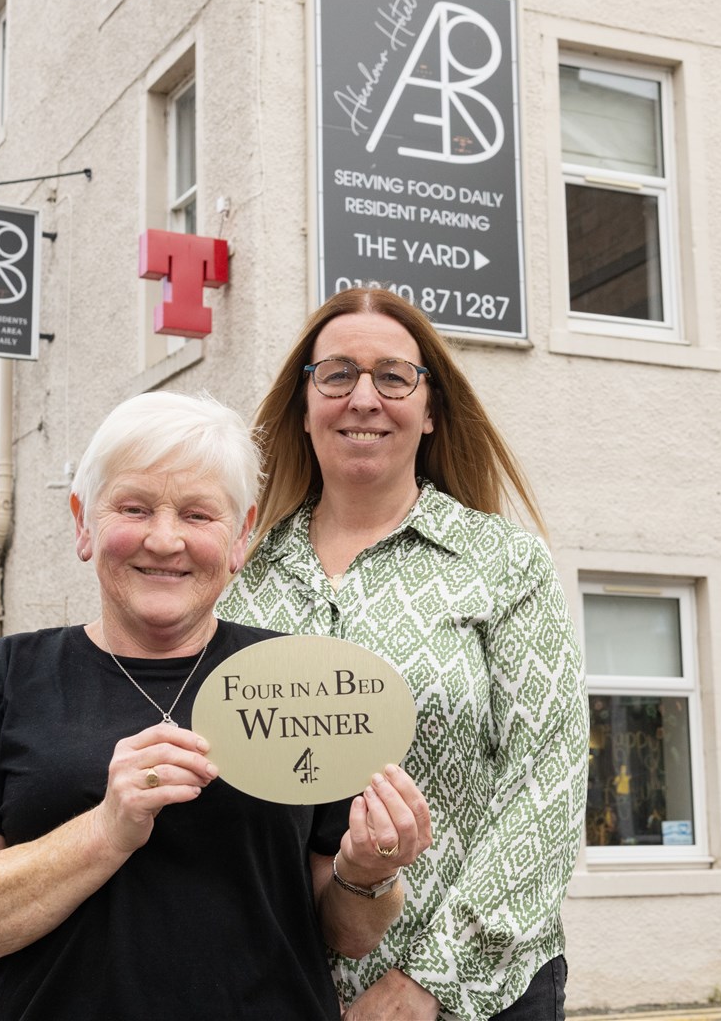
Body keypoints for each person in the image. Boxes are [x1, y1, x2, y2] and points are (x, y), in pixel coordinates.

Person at [0, 390, 433, 1021]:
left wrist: (367, 871)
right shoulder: (2, 681)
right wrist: (106, 830)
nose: (165, 539)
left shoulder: (300, 682)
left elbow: (347, 934)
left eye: (197, 515)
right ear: (83, 523)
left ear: (240, 536)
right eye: (134, 507)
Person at [218, 288, 588, 1021]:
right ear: (304, 405)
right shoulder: (241, 575)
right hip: (276, 988)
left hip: (482, 994)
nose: (363, 397)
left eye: (393, 376)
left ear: (431, 411)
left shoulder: (504, 563)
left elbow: (547, 785)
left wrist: (430, 983)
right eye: (336, 375)